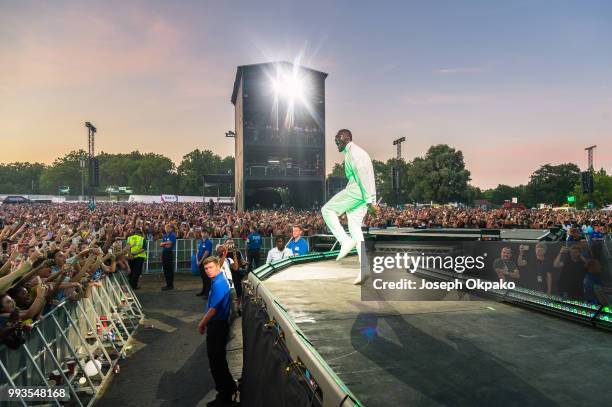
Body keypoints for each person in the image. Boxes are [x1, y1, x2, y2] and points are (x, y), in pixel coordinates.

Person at [321, 129, 379, 285]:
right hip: (363, 193)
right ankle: (364, 267)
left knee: (327, 210)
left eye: (337, 140)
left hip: (358, 191)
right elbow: (366, 177)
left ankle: (344, 241)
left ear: (345, 138)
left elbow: (362, 176)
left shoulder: (354, 153)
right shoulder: (355, 152)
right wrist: (371, 199)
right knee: (355, 228)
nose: (336, 144)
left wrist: (369, 201)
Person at [197, 255, 237, 406]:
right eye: (206, 268)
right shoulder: (217, 281)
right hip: (217, 325)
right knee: (218, 361)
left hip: (217, 326)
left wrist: (201, 324)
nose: (208, 271)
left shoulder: (219, 283)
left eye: (210, 267)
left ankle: (225, 395)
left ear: (218, 267)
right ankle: (229, 388)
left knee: (216, 362)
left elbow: (213, 310)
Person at [196, 229, 213, 297]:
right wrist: (197, 260)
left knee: (207, 277)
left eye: (205, 233)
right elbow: (197, 251)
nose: (204, 234)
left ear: (207, 234)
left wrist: (200, 261)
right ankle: (203, 291)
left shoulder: (208, 242)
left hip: (206, 260)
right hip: (200, 260)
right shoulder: (200, 241)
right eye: (203, 232)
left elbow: (207, 252)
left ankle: (207, 293)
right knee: (203, 277)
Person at [160, 223, 176, 291]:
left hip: (169, 253)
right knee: (165, 269)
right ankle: (167, 284)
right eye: (165, 228)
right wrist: (166, 243)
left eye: (168, 228)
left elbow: (169, 245)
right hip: (164, 253)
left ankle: (170, 285)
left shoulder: (172, 235)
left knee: (169, 269)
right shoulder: (164, 235)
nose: (166, 229)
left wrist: (164, 244)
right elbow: (161, 244)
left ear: (171, 229)